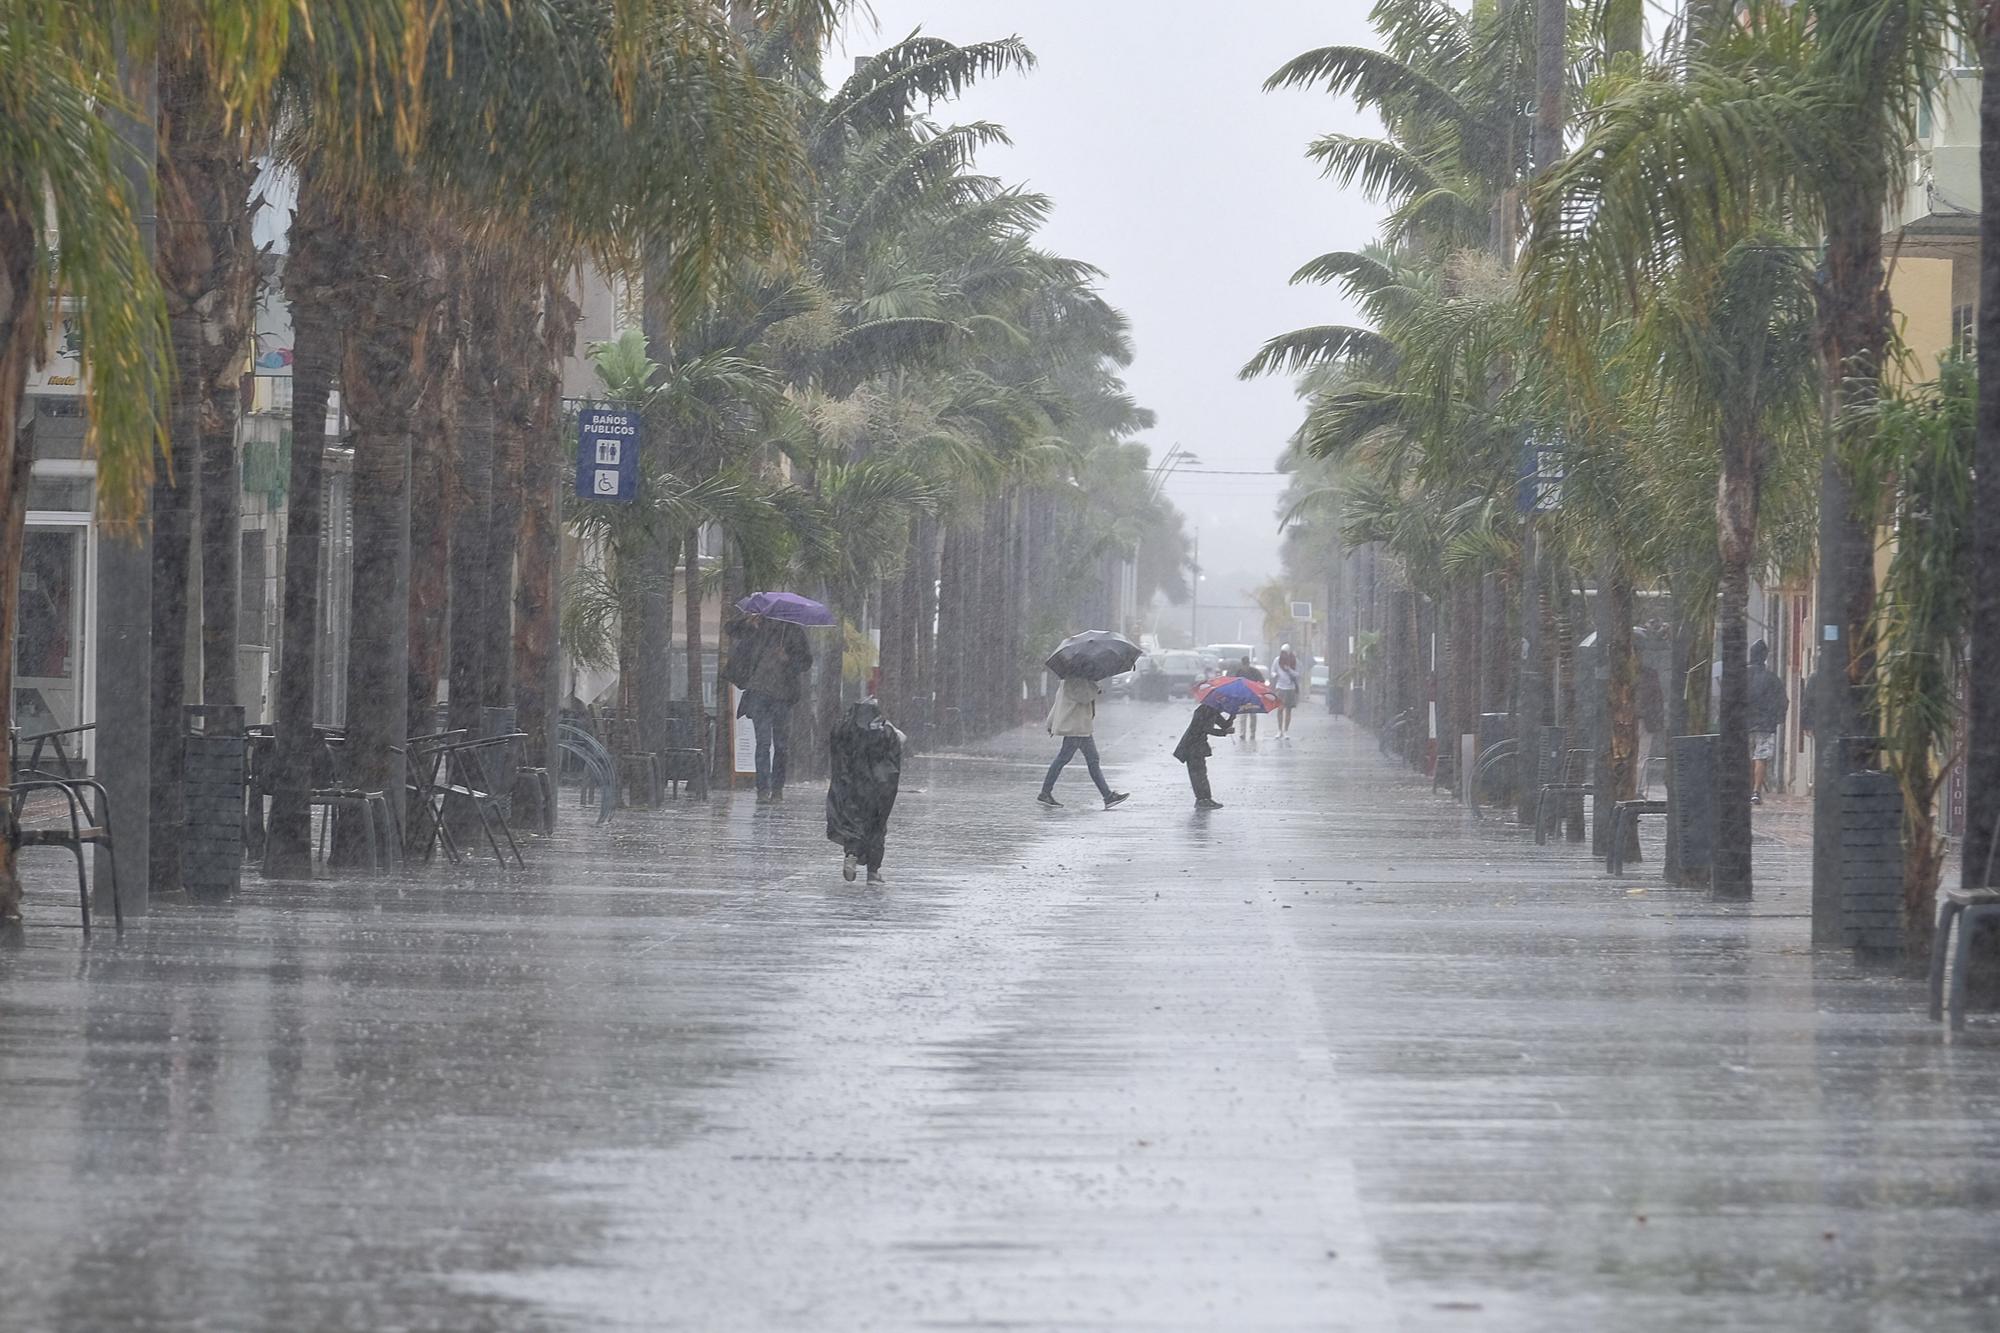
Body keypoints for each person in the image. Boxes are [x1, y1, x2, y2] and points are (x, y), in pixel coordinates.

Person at [723, 608, 813, 803]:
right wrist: (747, 622)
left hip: (783, 696)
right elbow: (730, 630)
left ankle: (777, 789)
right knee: (762, 743)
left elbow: (806, 662)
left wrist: (787, 659)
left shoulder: (793, 631)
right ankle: (762, 789)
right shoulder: (757, 625)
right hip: (758, 693)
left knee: (781, 745)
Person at [827, 699, 903, 883]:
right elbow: (896, 756)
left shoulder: (845, 731)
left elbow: (836, 751)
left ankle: (852, 853)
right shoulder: (886, 733)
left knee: (853, 824)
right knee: (877, 827)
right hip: (879, 788)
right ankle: (873, 872)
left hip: (852, 786)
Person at [1038, 675, 1129, 809]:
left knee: (1089, 759)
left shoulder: (1068, 679)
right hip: (1076, 727)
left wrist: (1051, 723)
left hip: (1079, 726)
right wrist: (1096, 687)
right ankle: (1045, 793)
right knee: (1066, 759)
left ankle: (1108, 796)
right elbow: (1084, 696)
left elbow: (1058, 702)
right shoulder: (1076, 679)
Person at [1747, 640, 1788, 805]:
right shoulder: (1772, 679)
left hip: (1744, 724)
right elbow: (1783, 701)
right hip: (1765, 725)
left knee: (1747, 757)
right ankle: (1756, 791)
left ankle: (1748, 788)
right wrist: (1777, 719)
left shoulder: (1741, 676)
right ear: (1764, 657)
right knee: (1760, 758)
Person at [1174, 700, 1233, 810]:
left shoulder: (1213, 710)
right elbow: (1205, 728)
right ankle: (1201, 799)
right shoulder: (1203, 710)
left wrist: (1232, 716)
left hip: (1199, 745)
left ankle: (1206, 798)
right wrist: (1224, 732)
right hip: (1192, 745)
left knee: (1201, 773)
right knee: (1197, 774)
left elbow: (1224, 725)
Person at [1271, 644, 1302, 739]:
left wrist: (1289, 670)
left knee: (1288, 710)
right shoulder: (1277, 660)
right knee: (1280, 709)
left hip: (1290, 688)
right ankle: (1279, 730)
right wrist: (1275, 675)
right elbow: (1272, 671)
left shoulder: (1295, 661)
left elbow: (1297, 674)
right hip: (1280, 687)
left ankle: (1286, 731)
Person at [1233, 654, 1265, 742]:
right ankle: (1242, 733)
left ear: (1248, 664)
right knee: (1243, 715)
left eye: (1246, 664)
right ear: (1242, 664)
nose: (1245, 666)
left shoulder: (1254, 672)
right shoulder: (1239, 672)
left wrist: (1257, 688)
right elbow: (1235, 683)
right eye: (1244, 665)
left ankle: (1252, 733)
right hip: (1242, 697)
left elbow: (1262, 681)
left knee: (1253, 715)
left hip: (1252, 696)